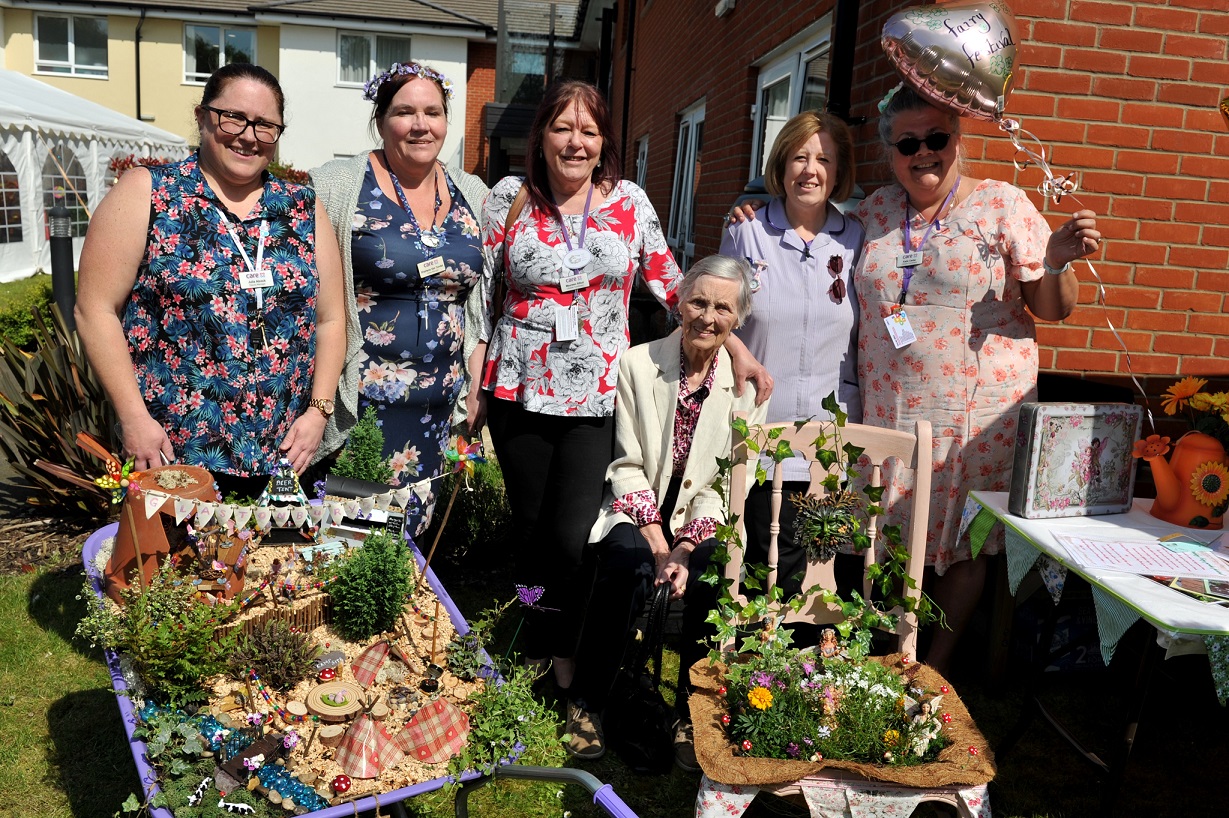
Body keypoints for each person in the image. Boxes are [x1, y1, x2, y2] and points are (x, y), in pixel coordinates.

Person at [470, 81, 770, 751]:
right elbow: (480, 297)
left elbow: (673, 282)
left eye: (589, 130)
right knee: (530, 533)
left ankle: (573, 665)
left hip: (595, 395)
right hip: (517, 388)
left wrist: (738, 349)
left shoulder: (628, 204)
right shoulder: (506, 199)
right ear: (541, 135)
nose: (575, 142)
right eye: (561, 128)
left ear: (604, 140)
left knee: (576, 538)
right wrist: (473, 383)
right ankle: (538, 646)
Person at [856, 84, 1100, 673]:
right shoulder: (876, 210)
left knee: (963, 542)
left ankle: (932, 671)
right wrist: (753, 209)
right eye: (907, 143)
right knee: (889, 531)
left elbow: (1053, 306)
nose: (924, 153)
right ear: (890, 152)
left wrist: (1059, 261)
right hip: (890, 408)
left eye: (936, 138)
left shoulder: (1002, 204)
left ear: (957, 139)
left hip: (975, 414)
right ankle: (891, 654)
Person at [75, 64, 345, 499]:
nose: (248, 135)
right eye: (233, 117)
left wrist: (318, 412)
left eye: (265, 125)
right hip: (173, 451)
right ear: (202, 117)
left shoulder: (302, 207)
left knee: (270, 567)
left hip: (284, 454)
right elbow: (94, 310)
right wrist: (133, 418)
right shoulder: (149, 192)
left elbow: (331, 320)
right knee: (175, 566)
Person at [570, 255, 767, 766]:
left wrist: (682, 548)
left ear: (738, 319)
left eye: (723, 308)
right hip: (637, 508)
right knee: (624, 564)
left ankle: (689, 711)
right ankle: (588, 702)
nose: (707, 316)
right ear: (679, 303)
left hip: (701, 518)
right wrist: (658, 543)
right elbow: (626, 461)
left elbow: (724, 486)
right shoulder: (637, 364)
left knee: (707, 578)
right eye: (698, 302)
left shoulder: (747, 390)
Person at [310, 61, 489, 539]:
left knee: (409, 540)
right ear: (381, 119)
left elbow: (482, 301)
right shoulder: (337, 185)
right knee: (350, 537)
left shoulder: (473, 193)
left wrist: (476, 378)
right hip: (363, 401)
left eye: (433, 112)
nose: (420, 124)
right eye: (404, 112)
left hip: (439, 406)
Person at [718, 111, 864, 611]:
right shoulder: (747, 233)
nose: (811, 169)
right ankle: (753, 675)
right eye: (800, 156)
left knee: (818, 573)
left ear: (838, 171)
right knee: (761, 563)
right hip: (762, 431)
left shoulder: (856, 240)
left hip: (831, 434)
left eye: (823, 158)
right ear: (781, 165)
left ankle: (804, 682)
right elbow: (718, 317)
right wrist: (738, 351)